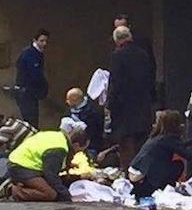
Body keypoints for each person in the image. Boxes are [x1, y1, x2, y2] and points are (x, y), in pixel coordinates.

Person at [0, 129, 89, 203]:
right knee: (50, 194)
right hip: (22, 167)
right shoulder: (59, 148)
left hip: (21, 162)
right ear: (75, 145)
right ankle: (12, 191)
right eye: (81, 150)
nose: (79, 152)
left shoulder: (58, 136)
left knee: (51, 188)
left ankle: (22, 185)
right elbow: (51, 175)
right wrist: (66, 196)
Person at [107, 26, 154, 171]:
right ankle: (142, 172)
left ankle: (128, 174)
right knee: (141, 142)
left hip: (124, 107)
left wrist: (110, 103)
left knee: (126, 144)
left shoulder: (118, 56)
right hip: (143, 105)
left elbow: (115, 82)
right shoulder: (143, 54)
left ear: (117, 41)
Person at [129, 110, 192, 198]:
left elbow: (178, 145)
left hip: (135, 171)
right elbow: (189, 156)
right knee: (178, 165)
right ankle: (159, 187)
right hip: (145, 176)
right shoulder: (168, 139)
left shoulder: (157, 137)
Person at [114, 14, 156, 100]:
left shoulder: (141, 44)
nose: (120, 31)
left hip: (140, 90)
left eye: (123, 27)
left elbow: (151, 66)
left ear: (129, 27)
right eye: (117, 28)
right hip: (122, 93)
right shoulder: (114, 47)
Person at [15, 28, 50, 129]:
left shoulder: (36, 53)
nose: (44, 44)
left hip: (30, 92)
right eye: (42, 41)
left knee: (32, 119)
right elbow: (35, 74)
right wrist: (43, 86)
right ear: (35, 40)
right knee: (31, 120)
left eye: (46, 41)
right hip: (27, 92)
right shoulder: (29, 54)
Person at [65, 87, 105, 157]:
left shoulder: (92, 112)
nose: (67, 102)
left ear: (75, 100)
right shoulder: (70, 110)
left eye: (69, 100)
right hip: (72, 145)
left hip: (90, 146)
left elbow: (95, 132)